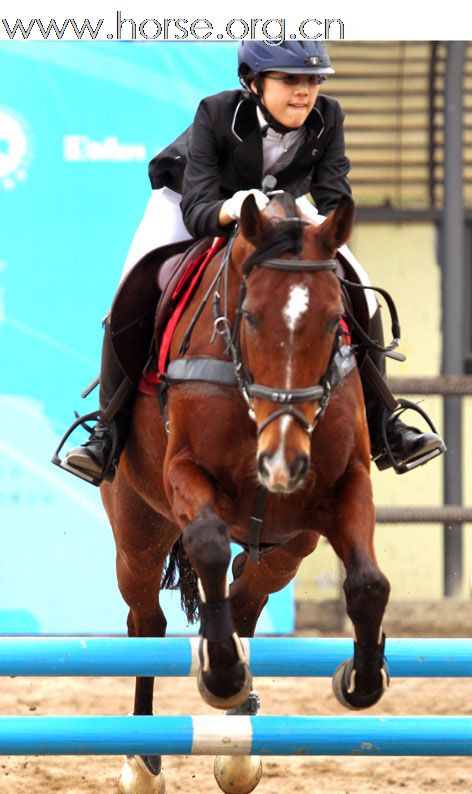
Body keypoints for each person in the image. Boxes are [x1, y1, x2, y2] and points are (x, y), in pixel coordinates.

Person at [63, 39, 445, 483]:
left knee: (358, 282)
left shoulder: (330, 117)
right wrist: (236, 206)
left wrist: (314, 220)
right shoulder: (217, 112)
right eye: (290, 79)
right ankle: (106, 434)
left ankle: (386, 426)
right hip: (189, 204)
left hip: (278, 215)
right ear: (254, 81)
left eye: (312, 81)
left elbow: (335, 196)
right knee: (133, 289)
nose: (304, 92)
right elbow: (199, 207)